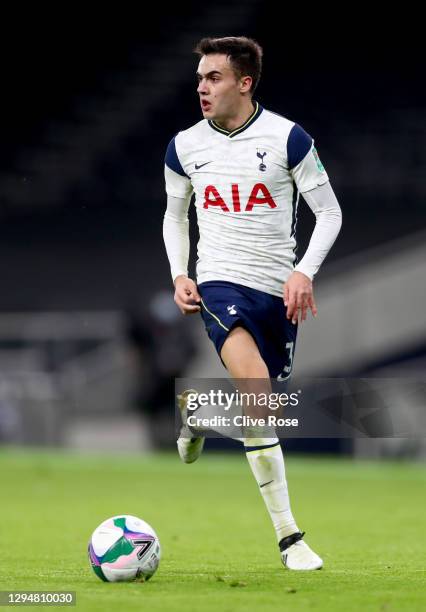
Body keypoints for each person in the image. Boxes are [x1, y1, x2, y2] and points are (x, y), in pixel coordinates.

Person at [163, 36, 342, 571]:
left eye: (213, 77)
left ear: (245, 82)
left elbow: (329, 214)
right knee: (258, 394)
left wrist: (303, 272)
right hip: (219, 282)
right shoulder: (184, 146)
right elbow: (176, 216)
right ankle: (290, 538)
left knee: (262, 409)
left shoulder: (288, 139)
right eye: (199, 77)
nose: (201, 87)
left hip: (275, 293)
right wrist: (180, 273)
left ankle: (197, 414)